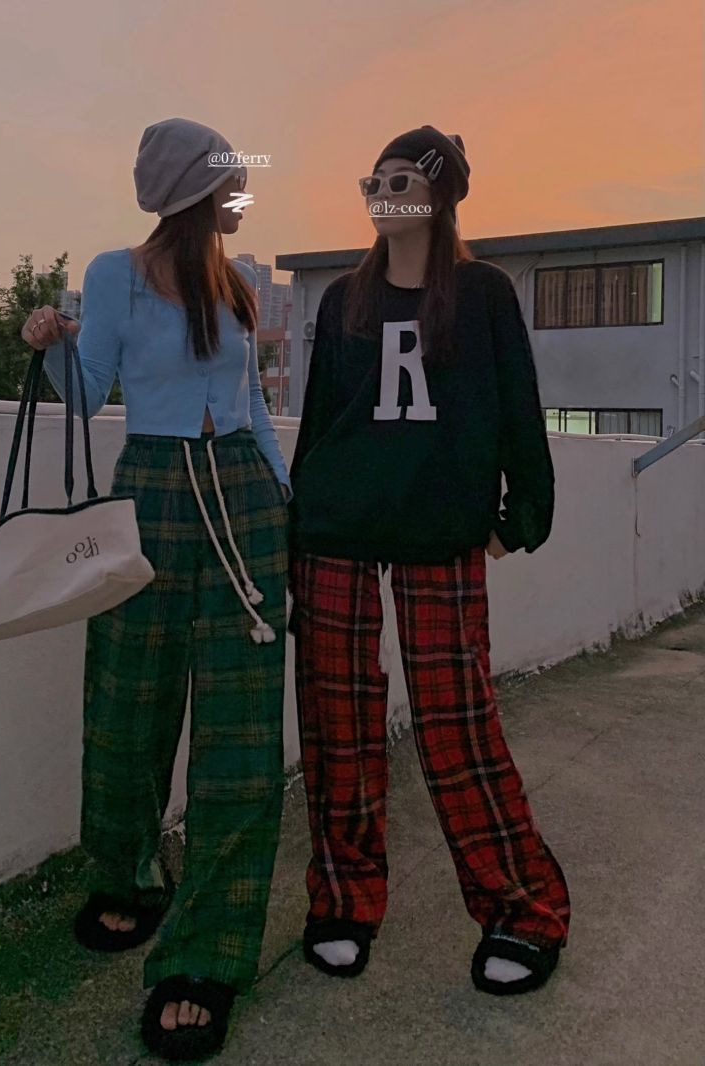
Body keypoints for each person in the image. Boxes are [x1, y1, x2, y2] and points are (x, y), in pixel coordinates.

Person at [21, 117, 291, 1061]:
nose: (238, 197)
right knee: (127, 701)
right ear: (191, 193)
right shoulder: (114, 275)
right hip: (152, 490)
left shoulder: (238, 280)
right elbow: (89, 393)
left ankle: (205, 956)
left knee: (241, 733)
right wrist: (50, 343)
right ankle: (128, 873)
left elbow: (254, 407)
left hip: (242, 498)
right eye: (227, 182)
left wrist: (281, 499)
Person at [288, 125, 571, 996]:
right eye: (372, 180)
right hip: (337, 533)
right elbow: (321, 418)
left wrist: (522, 516)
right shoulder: (344, 299)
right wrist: (299, 526)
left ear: (441, 194)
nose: (381, 193)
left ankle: (522, 909)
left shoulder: (482, 294)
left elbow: (518, 404)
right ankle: (343, 900)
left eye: (401, 179)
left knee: (459, 727)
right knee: (338, 724)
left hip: (441, 534)